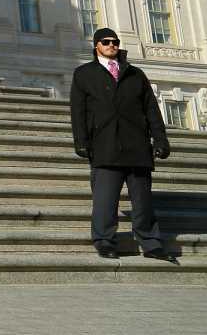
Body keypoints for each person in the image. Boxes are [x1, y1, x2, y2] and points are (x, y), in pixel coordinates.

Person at [71, 27, 173, 261]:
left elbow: (151, 110)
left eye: (115, 41)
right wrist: (81, 142)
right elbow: (78, 112)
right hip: (104, 145)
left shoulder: (136, 74)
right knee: (105, 200)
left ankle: (150, 242)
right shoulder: (84, 74)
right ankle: (105, 241)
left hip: (137, 145)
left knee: (143, 200)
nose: (112, 45)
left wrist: (160, 139)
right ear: (96, 45)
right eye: (106, 41)